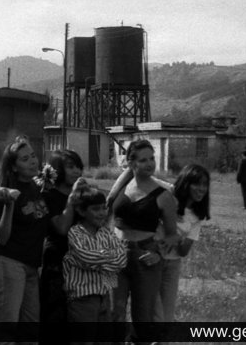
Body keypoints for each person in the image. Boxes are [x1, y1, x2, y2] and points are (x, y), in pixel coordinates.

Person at [107, 139, 178, 344]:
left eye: (152, 158)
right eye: (143, 160)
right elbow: (108, 214)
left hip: (146, 256)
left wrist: (158, 253)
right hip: (118, 255)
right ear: (131, 163)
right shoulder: (121, 186)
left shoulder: (163, 196)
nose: (149, 164)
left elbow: (173, 234)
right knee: (114, 314)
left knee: (143, 318)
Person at [0, 137, 48, 327]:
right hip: (9, 264)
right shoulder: (3, 192)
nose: (33, 161)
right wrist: (9, 206)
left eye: (33, 156)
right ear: (13, 167)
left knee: (30, 326)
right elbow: (2, 238)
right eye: (25, 159)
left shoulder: (36, 188)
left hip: (31, 266)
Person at [63, 184, 127, 333]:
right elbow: (85, 256)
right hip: (82, 298)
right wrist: (109, 257)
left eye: (104, 208)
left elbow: (121, 260)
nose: (102, 213)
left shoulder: (107, 234)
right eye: (95, 209)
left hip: (104, 295)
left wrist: (98, 257)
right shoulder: (76, 233)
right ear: (81, 211)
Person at [156, 163, 211, 322]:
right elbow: (139, 175)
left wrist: (176, 236)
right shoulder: (169, 193)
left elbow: (183, 251)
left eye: (205, 185)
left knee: (166, 314)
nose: (201, 189)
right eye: (197, 183)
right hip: (151, 259)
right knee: (148, 311)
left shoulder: (197, 216)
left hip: (172, 265)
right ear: (186, 183)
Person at [38, 149, 86, 324]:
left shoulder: (83, 196)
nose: (76, 171)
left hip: (80, 263)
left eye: (78, 167)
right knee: (54, 314)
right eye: (70, 167)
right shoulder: (47, 196)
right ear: (57, 169)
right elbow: (61, 227)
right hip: (56, 261)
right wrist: (72, 199)